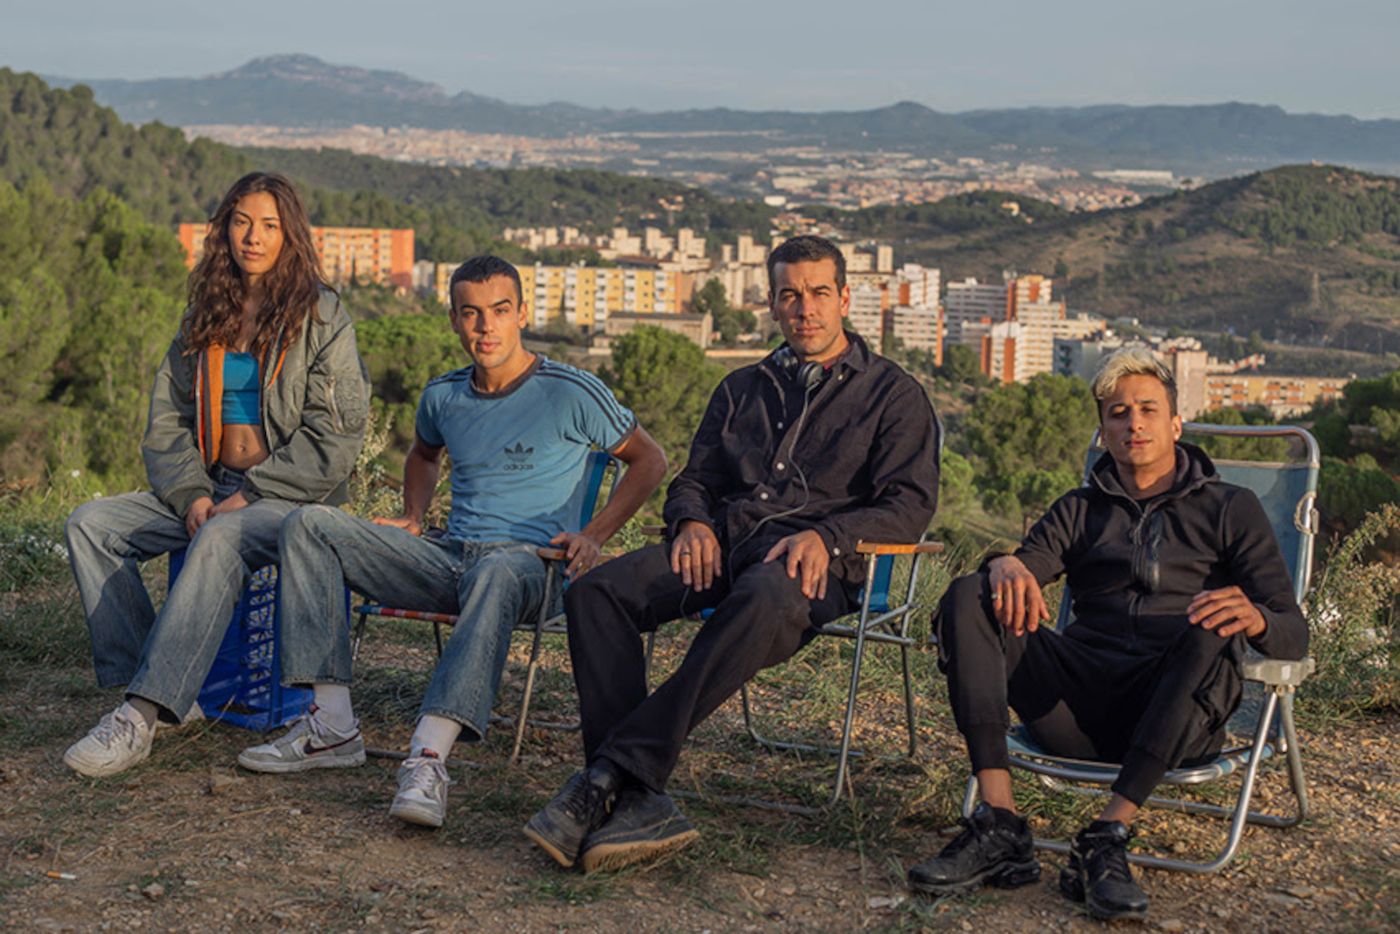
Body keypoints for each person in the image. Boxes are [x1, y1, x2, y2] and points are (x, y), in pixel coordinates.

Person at [524, 235, 940, 873]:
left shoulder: (894, 396)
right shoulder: (741, 386)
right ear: (772, 305)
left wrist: (827, 536)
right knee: (595, 593)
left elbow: (909, 507)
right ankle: (634, 797)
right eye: (789, 295)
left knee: (767, 593)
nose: (805, 309)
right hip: (720, 546)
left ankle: (608, 775)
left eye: (819, 294)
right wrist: (690, 521)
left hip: (809, 568)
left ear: (846, 299)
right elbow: (694, 479)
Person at [236, 255, 667, 829]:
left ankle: (428, 757)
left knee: (497, 568)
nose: (485, 327)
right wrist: (414, 514)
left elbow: (650, 460)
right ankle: (332, 727)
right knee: (308, 525)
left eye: (499, 311)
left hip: (533, 567)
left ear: (521, 314)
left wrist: (592, 535)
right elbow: (422, 453)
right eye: (471, 314)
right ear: (454, 322)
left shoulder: (571, 391)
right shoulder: (443, 395)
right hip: (449, 557)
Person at [907, 347, 1308, 920]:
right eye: (1118, 412)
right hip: (1077, 708)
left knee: (1210, 618)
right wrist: (1004, 562)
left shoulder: (1230, 509)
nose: (1133, 423)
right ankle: (1000, 825)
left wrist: (1258, 618)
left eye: (1147, 409)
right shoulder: (1079, 509)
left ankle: (1106, 835)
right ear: (1103, 429)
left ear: (1175, 423)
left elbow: (1295, 633)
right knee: (970, 592)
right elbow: (1028, 565)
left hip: (1175, 715)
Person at [63, 172, 371, 777]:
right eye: (241, 221)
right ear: (225, 227)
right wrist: (191, 494)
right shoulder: (207, 308)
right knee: (89, 524)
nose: (253, 237)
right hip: (208, 488)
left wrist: (251, 494)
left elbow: (335, 438)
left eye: (269, 225)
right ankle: (155, 682)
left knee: (222, 536)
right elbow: (167, 421)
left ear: (291, 235)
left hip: (287, 500)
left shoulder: (322, 313)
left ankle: (141, 717)